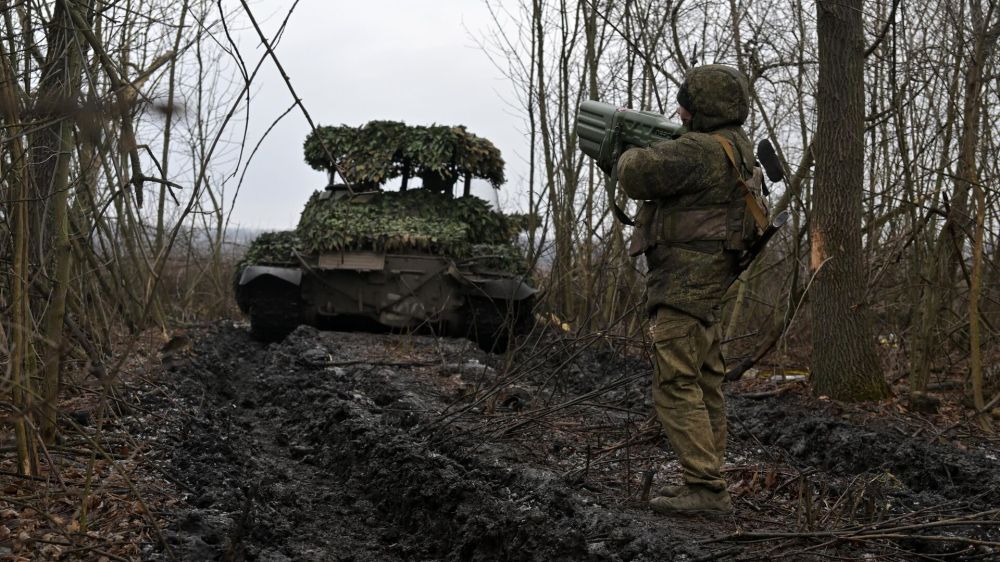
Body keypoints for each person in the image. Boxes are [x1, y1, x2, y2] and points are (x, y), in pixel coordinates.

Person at [617, 64, 761, 515]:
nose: (679, 109)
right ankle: (708, 478)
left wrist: (623, 151)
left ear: (703, 108)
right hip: (708, 286)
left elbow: (637, 172)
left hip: (683, 286)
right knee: (706, 383)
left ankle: (705, 488)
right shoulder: (737, 146)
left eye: (686, 102)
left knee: (676, 384)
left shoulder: (699, 150)